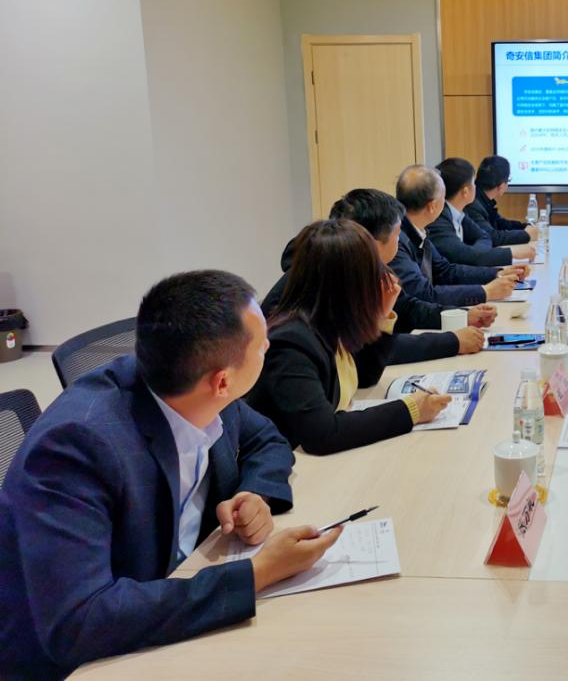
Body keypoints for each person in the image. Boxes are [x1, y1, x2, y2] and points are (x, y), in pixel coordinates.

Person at [0, 271, 341, 678]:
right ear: (223, 381)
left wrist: (255, 493)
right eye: (261, 344)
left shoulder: (197, 386)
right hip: (90, 661)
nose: (269, 345)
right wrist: (258, 574)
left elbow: (266, 440)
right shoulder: (76, 446)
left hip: (176, 590)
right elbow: (80, 621)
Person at [246, 220, 452, 455]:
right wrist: (411, 409)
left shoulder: (331, 321)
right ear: (347, 284)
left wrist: (380, 318)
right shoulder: (291, 344)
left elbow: (366, 376)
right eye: (370, 274)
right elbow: (323, 435)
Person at [265, 188, 491, 362]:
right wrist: (452, 342)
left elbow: (407, 308)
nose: (400, 240)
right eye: (397, 234)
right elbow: (367, 350)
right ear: (367, 241)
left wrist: (462, 315)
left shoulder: (353, 265)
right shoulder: (331, 278)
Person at [390, 164, 525, 307]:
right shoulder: (396, 240)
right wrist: (485, 292)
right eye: (443, 197)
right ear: (432, 206)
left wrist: (496, 274)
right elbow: (423, 293)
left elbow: (445, 271)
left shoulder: (418, 229)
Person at [427, 157, 535, 266]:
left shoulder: (459, 214)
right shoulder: (440, 219)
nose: (476, 186)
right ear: (465, 192)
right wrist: (510, 253)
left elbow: (484, 236)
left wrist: (477, 255)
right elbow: (467, 255)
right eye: (473, 183)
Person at [466, 154, 538, 246]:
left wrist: (525, 227)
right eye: (508, 180)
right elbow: (492, 237)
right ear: (501, 186)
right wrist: (526, 234)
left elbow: (501, 223)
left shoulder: (483, 199)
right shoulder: (473, 204)